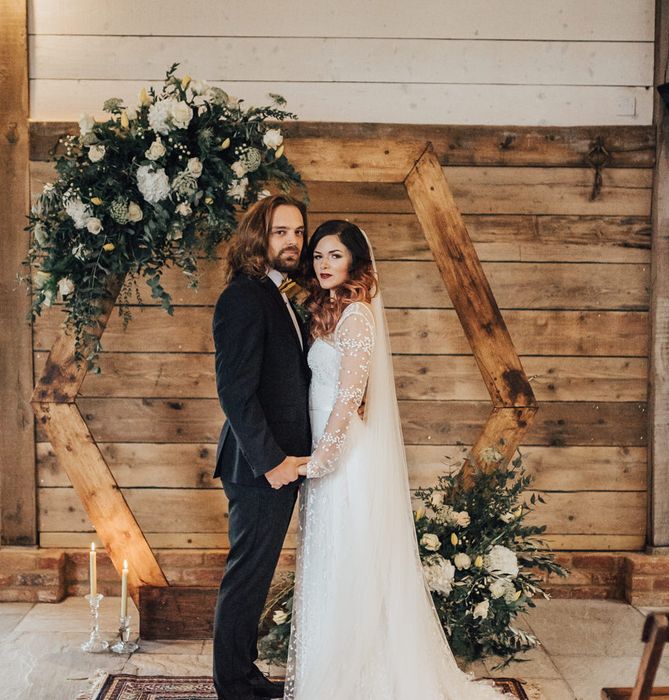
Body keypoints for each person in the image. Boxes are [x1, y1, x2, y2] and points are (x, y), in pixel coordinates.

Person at [286, 220, 510, 699]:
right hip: (329, 453)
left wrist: (320, 460)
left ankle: (360, 679)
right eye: (319, 256)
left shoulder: (359, 316)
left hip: (345, 459)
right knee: (332, 563)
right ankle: (329, 670)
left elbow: (348, 398)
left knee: (350, 562)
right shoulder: (332, 310)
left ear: (354, 263)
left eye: (335, 256)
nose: (324, 265)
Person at [212, 194, 312, 700]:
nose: (292, 240)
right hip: (258, 465)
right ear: (258, 238)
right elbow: (234, 390)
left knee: (255, 576)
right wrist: (272, 462)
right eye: (280, 232)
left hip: (280, 463)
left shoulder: (279, 294)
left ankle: (245, 676)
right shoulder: (244, 297)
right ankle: (233, 686)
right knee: (247, 576)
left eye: (297, 231)